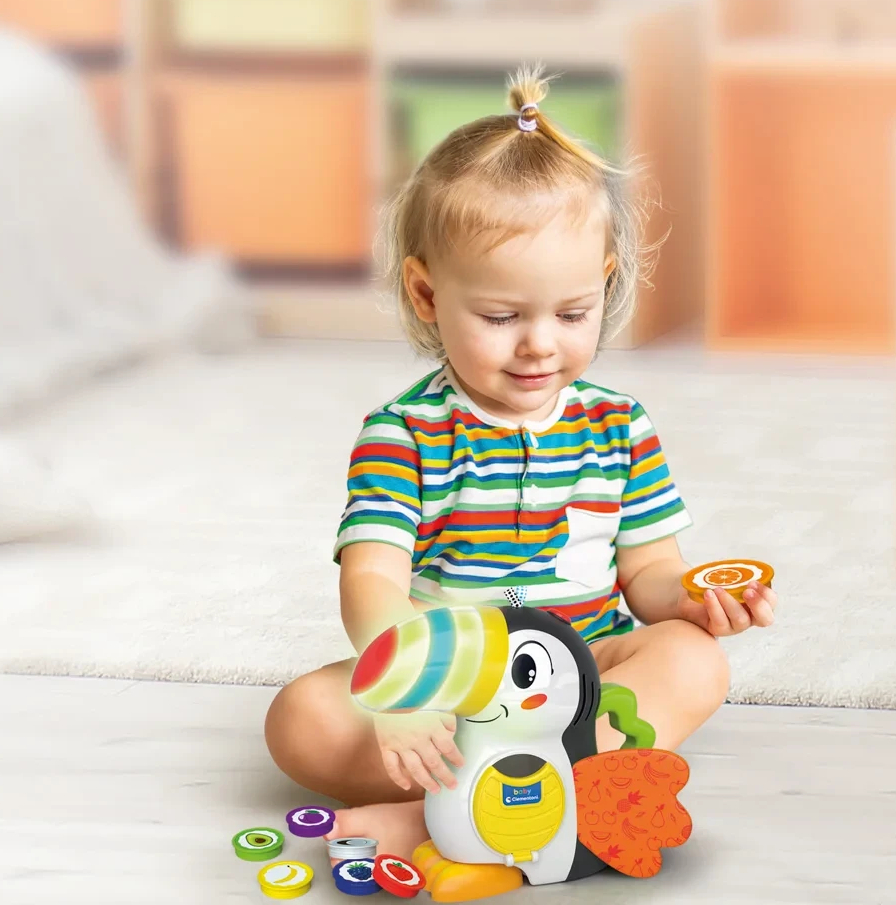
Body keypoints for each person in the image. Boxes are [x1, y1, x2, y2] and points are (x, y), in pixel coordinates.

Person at [264, 66, 777, 862]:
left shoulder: (619, 426)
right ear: (427, 295)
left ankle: (448, 817)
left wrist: (693, 599)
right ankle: (541, 801)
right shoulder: (404, 434)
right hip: (449, 688)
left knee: (693, 661)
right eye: (502, 316)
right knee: (301, 718)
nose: (540, 343)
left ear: (604, 283)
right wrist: (403, 692)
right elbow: (371, 583)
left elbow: (649, 574)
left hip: (579, 683)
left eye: (572, 313)